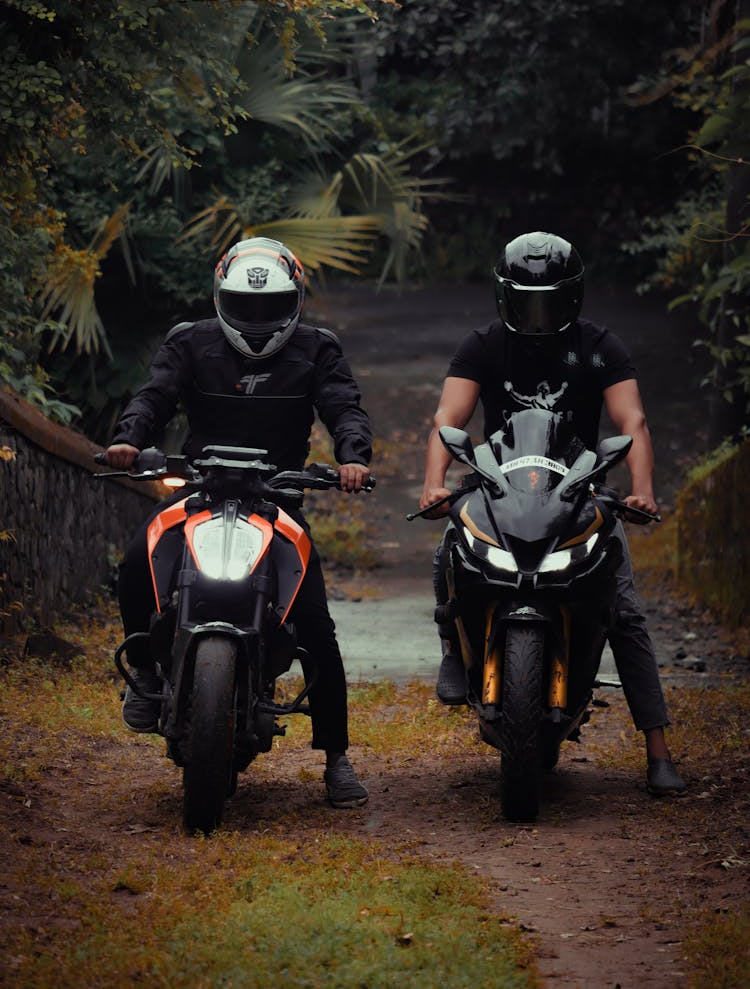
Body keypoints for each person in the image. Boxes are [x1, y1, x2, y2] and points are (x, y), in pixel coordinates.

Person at [104, 237, 371, 808]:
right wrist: (129, 441)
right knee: (135, 562)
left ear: (295, 299)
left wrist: (353, 456)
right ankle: (149, 676)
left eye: (269, 307)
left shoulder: (317, 348)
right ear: (220, 296)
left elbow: (343, 406)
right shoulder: (189, 341)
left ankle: (336, 757)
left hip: (278, 499)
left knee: (315, 625)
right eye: (243, 305)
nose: (255, 319)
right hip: (199, 490)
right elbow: (154, 398)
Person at [419, 231, 686, 797]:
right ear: (504, 296)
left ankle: (658, 749)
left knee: (626, 610)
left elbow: (630, 421)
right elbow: (450, 414)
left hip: (577, 493)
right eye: (525, 300)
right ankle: (452, 650)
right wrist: (433, 484)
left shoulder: (601, 346)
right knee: (449, 550)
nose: (537, 313)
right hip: (495, 488)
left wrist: (641, 491)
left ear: (573, 296)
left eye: (549, 300)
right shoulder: (483, 345)